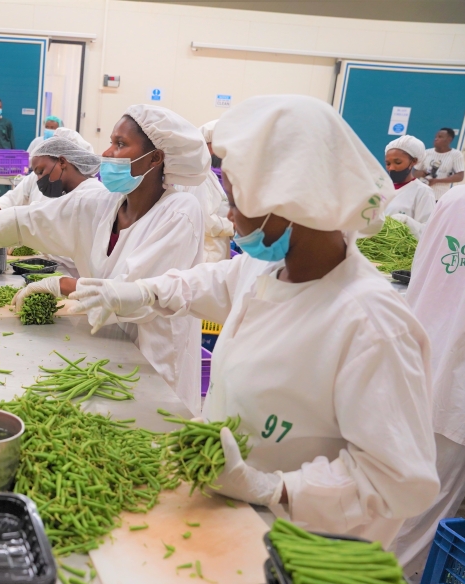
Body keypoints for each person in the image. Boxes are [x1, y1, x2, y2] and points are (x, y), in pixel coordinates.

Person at [66, 95, 439, 545]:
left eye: (236, 200)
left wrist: (272, 488)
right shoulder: (269, 268)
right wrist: (141, 292)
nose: (229, 215)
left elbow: (400, 480)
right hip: (228, 522)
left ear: (288, 204)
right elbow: (212, 283)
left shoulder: (371, 325)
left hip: (300, 550)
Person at [0, 104, 208, 416]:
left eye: (120, 144)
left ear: (155, 158)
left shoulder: (179, 213)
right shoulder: (105, 203)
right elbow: (29, 219)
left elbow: (135, 294)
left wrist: (60, 285)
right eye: (110, 142)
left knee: (146, 426)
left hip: (154, 362)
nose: (107, 152)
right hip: (106, 347)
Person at [392, 184, 465, 577]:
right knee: (426, 510)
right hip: (462, 389)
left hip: (416, 358)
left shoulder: (458, 199)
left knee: (389, 486)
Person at [0, 127, 96, 217]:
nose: (39, 178)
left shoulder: (88, 192)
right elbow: (14, 197)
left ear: (63, 161)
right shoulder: (38, 175)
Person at [182, 119, 232, 262]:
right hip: (207, 255)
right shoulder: (199, 178)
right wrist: (233, 226)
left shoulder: (207, 174)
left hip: (215, 251)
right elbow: (205, 221)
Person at [382, 135, 435, 238]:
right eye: (388, 163)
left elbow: (427, 231)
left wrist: (406, 222)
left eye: (398, 162)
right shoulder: (381, 187)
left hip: (400, 246)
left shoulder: (423, 192)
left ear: (413, 161)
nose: (391, 168)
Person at [418, 128, 465, 201]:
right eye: (436, 137)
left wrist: (437, 180)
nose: (436, 139)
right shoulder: (426, 153)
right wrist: (423, 173)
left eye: (440, 137)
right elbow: (414, 173)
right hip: (422, 195)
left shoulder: (456, 155)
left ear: (449, 139)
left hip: (440, 197)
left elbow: (460, 176)